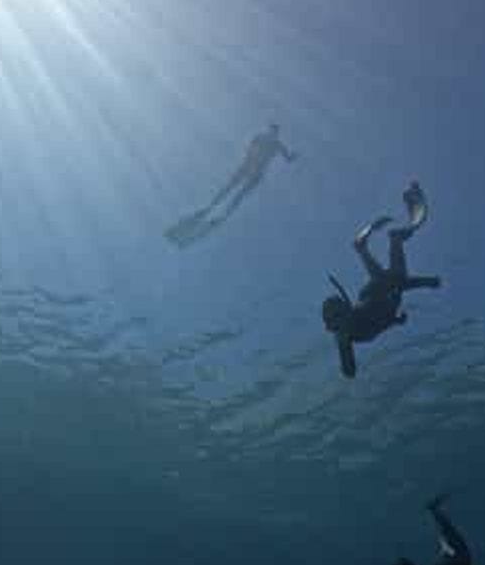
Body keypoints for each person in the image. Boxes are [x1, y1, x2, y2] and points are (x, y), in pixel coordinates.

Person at [322, 181, 441, 378]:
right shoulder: (347, 336)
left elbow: (399, 285)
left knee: (394, 274)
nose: (340, 326)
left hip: (381, 290)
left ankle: (383, 242)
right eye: (336, 323)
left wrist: (428, 282)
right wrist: (395, 321)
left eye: (338, 319)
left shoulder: (351, 330)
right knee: (385, 278)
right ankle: (361, 248)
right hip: (377, 292)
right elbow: (350, 372)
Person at [166, 122, 297, 247]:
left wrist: (290, 157)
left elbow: (284, 156)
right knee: (230, 190)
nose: (274, 133)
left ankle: (219, 212)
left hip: (252, 170)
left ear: (274, 131)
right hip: (249, 168)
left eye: (275, 131)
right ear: (272, 130)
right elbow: (254, 148)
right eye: (273, 130)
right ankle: (210, 210)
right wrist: (252, 159)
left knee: (236, 193)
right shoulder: (267, 139)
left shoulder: (274, 142)